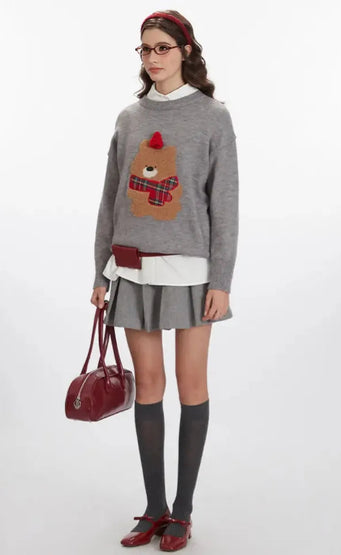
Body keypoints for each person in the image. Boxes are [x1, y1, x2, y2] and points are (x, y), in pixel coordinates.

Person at [90, 9, 239, 552]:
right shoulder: (129, 118)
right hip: (131, 268)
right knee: (149, 386)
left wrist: (221, 280)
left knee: (191, 384)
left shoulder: (212, 117)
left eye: (162, 48)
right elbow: (110, 200)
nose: (153, 57)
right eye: (145, 49)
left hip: (192, 274)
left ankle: (184, 511)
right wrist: (100, 272)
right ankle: (154, 508)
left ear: (185, 51)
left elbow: (225, 204)